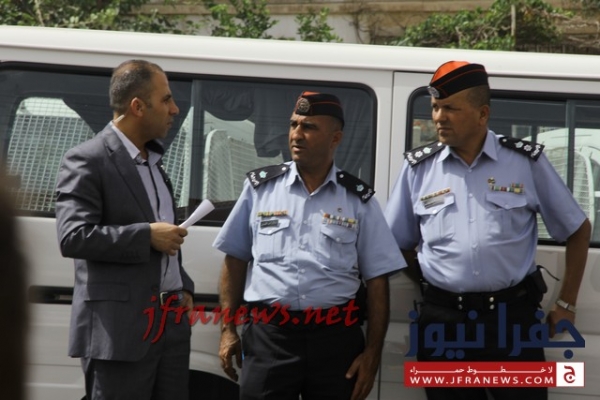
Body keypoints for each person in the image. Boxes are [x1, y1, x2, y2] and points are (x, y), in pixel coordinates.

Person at [385, 61, 591, 400]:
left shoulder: (524, 162)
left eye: (450, 108)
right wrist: (435, 279)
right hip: (444, 323)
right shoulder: (418, 169)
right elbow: (398, 244)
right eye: (435, 107)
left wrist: (566, 302)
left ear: (482, 114)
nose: (438, 117)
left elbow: (578, 229)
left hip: (511, 321)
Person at [213, 91, 405, 400]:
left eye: (309, 127)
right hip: (269, 336)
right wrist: (227, 330)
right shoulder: (260, 189)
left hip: (335, 339)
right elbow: (234, 259)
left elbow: (378, 280)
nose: (296, 135)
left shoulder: (358, 200)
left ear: (335, 138)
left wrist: (372, 354)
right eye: (293, 125)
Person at [55, 59, 194, 400]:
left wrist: (182, 286)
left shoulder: (154, 163)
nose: (174, 109)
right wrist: (146, 235)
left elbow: (165, 237)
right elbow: (73, 236)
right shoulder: (88, 159)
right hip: (119, 333)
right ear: (137, 106)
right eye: (166, 99)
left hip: (170, 328)